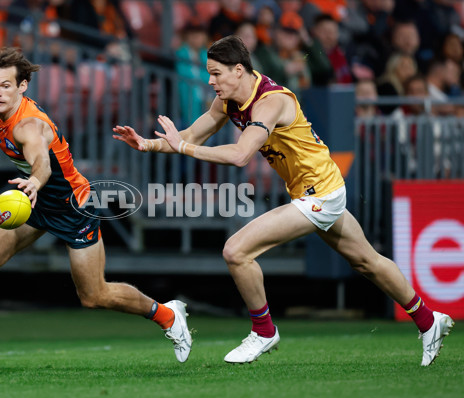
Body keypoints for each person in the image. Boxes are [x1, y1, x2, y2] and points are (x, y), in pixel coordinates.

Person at [112, 35, 454, 366]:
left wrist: (184, 148)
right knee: (367, 261)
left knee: (236, 251)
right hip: (317, 188)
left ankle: (264, 331)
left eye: (216, 73)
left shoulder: (271, 101)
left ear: (239, 71)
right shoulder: (228, 99)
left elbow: (240, 154)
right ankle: (429, 321)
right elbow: (189, 135)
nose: (210, 80)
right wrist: (147, 143)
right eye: (209, 73)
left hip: (319, 194)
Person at [0, 47, 192, 366]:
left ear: (22, 86)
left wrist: (35, 182)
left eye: (6, 85)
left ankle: (168, 315)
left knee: (94, 296)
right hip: (32, 202)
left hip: (72, 207)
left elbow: (42, 165)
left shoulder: (30, 126)